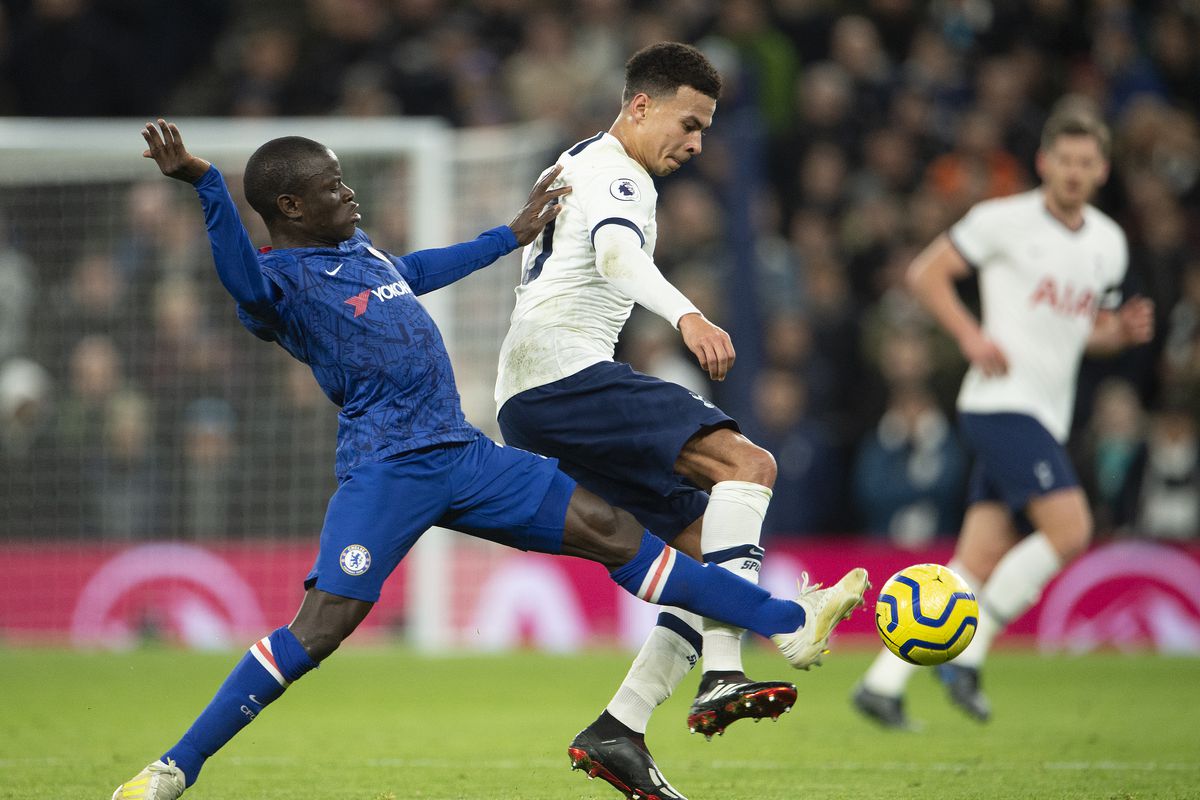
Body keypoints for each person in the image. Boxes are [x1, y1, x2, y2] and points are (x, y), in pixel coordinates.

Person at [113, 119, 869, 800]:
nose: (349, 193)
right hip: (388, 469)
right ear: (291, 208)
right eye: (332, 186)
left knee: (614, 532)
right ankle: (174, 769)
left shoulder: (361, 255)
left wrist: (509, 234)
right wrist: (206, 184)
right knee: (320, 628)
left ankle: (789, 622)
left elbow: (422, 269)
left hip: (466, 455)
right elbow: (239, 276)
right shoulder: (277, 282)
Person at [494, 42, 869, 798]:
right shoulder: (621, 174)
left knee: (710, 556)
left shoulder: (575, 160)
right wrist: (688, 314)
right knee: (750, 465)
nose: (696, 145)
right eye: (689, 124)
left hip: (530, 393)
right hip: (564, 375)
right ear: (641, 105)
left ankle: (620, 727)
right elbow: (615, 258)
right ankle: (728, 668)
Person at [852, 109, 1155, 730]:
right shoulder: (1003, 219)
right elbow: (926, 273)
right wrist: (970, 336)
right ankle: (967, 656)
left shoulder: (1109, 243)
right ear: (1044, 163)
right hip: (999, 403)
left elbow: (1084, 332)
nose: (1074, 172)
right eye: (1064, 160)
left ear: (1102, 170)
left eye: (1086, 162)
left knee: (977, 559)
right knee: (1072, 529)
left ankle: (882, 684)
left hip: (1045, 414)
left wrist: (1119, 334)